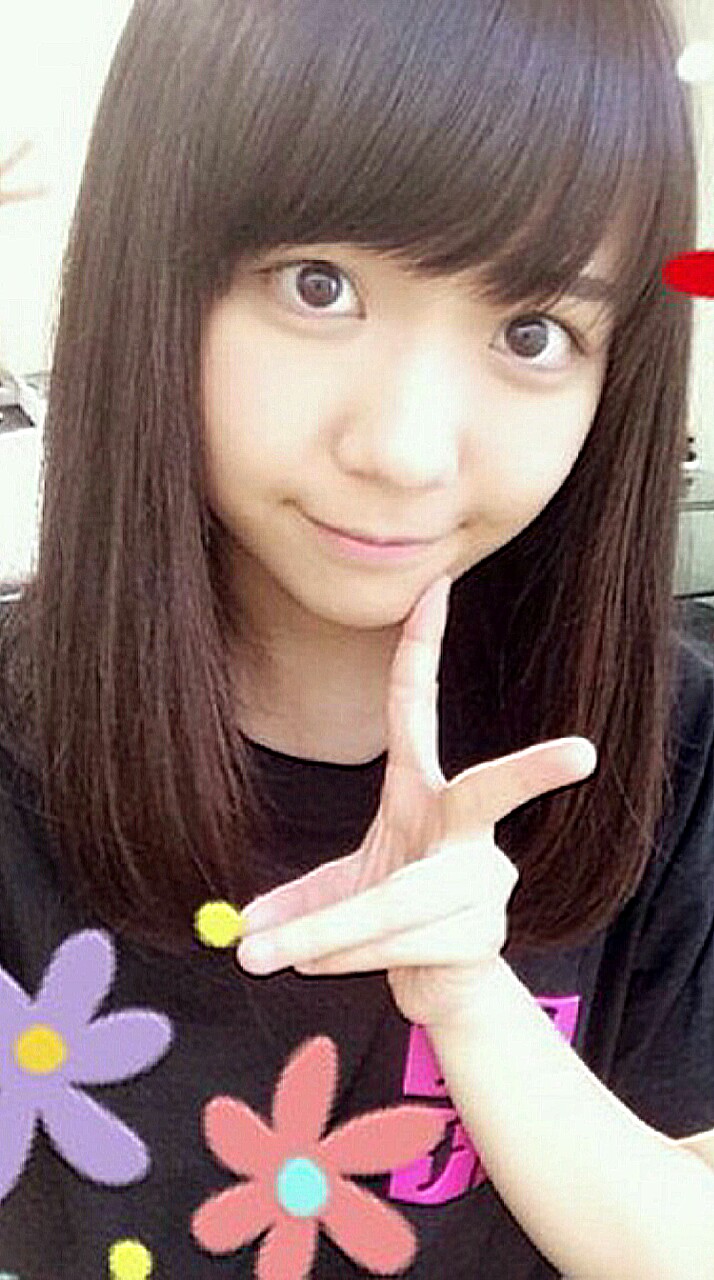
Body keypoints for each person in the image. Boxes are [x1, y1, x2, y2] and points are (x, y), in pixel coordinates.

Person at [0, 0, 712, 1276]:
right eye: (318, 285)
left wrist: (473, 1003)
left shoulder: (678, 749)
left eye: (533, 331)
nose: (404, 449)